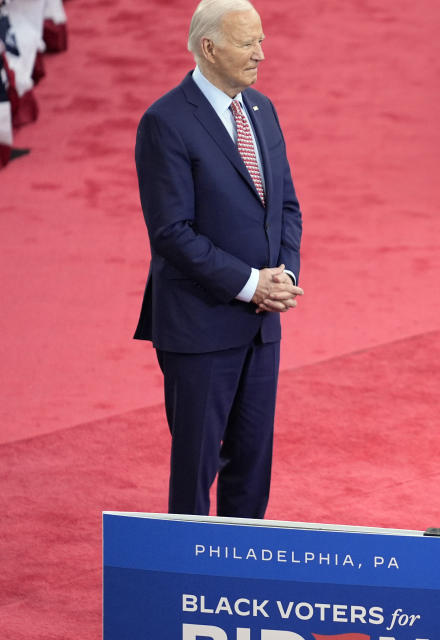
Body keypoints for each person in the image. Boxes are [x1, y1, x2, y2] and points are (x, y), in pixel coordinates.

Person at [134, 0, 304, 518]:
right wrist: (251, 283)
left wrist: (284, 276)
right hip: (199, 327)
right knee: (195, 470)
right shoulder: (165, 122)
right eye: (248, 43)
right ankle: (188, 582)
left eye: (262, 41)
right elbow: (171, 233)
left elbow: (288, 207)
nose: (261, 55)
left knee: (253, 464)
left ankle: (240, 574)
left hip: (260, 325)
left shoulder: (262, 108)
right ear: (209, 48)